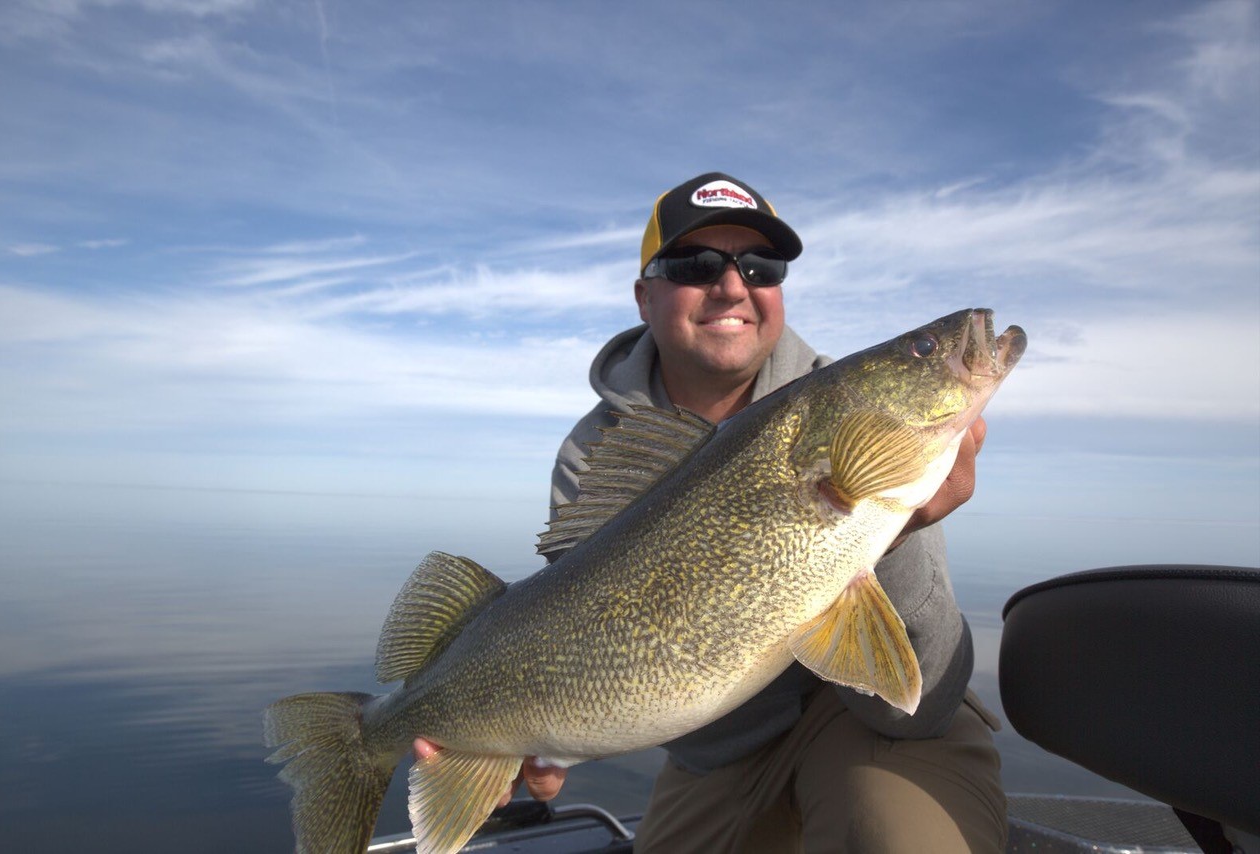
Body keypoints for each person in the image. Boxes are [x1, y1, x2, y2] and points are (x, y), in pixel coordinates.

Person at [417, 172, 1007, 852]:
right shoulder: (595, 454)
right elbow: (588, 660)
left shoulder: (844, 422)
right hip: (717, 749)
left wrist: (901, 532)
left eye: (761, 266)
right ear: (644, 296)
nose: (732, 285)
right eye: (696, 265)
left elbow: (918, 707)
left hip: (869, 723)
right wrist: (540, 744)